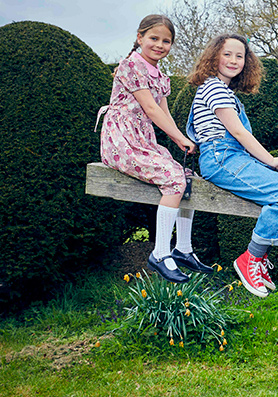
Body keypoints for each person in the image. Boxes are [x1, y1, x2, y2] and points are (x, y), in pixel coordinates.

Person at [98, 14, 211, 283]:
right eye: (154, 38)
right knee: (173, 180)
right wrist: (179, 139)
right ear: (140, 38)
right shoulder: (130, 66)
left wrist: (180, 138)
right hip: (122, 140)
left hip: (143, 140)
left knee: (186, 177)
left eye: (166, 41)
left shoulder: (159, 75)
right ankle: (160, 253)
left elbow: (163, 112)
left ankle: (183, 249)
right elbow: (149, 108)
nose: (159, 45)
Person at [185, 34, 278, 298]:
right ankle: (251, 258)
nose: (234, 60)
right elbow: (237, 132)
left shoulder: (224, 91)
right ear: (214, 56)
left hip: (232, 156)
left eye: (240, 56)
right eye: (227, 54)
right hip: (221, 157)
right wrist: (270, 161)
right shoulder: (214, 88)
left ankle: (258, 259)